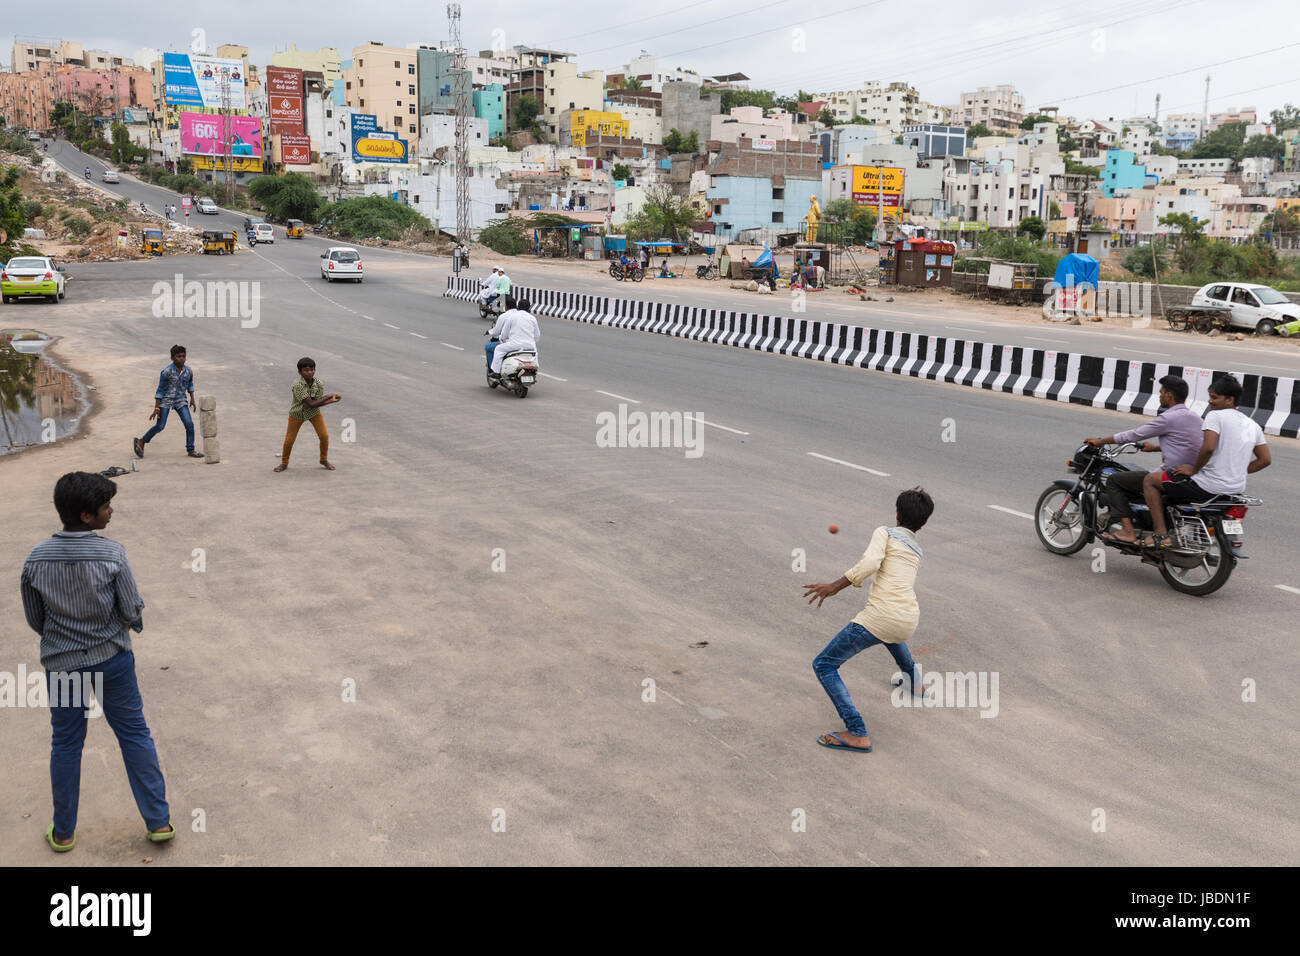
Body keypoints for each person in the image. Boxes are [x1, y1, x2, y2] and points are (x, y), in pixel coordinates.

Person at [21, 471, 174, 851]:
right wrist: (126, 622)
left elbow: (35, 618)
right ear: (87, 516)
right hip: (112, 660)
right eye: (106, 507)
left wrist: (63, 636)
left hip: (63, 663)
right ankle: (158, 823)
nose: (111, 512)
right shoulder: (112, 553)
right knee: (134, 735)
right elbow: (130, 608)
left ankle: (63, 833)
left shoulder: (36, 558)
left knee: (67, 743)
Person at [802, 488, 935, 753]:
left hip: (882, 616)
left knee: (824, 665)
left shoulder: (884, 532)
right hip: (908, 618)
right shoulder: (917, 550)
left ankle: (857, 732)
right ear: (923, 523)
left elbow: (870, 563)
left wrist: (835, 586)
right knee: (890, 635)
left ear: (897, 515)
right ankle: (915, 683)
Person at [1141, 375, 1270, 545]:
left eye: (1214, 397)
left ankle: (1160, 534)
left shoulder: (1215, 417)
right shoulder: (1252, 424)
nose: (1210, 401)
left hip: (1207, 486)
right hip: (1235, 489)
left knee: (1150, 480)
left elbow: (1208, 447)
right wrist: (1235, 469)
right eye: (1210, 396)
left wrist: (1193, 470)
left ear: (1230, 400)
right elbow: (1265, 459)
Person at [1085, 374, 1203, 545]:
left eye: (1161, 392)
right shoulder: (1196, 418)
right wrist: (1155, 448)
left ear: (1169, 395)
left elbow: (1134, 435)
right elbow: (1187, 444)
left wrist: (1100, 441)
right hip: (1191, 474)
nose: (1160, 396)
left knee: (1114, 481)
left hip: (1171, 474)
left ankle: (1127, 532)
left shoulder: (1168, 418)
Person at [134, 345, 202, 459]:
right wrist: (156, 408)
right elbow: (160, 390)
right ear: (172, 358)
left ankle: (191, 449)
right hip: (166, 400)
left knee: (189, 424)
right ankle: (142, 441)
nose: (181, 358)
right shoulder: (167, 372)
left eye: (183, 356)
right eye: (178, 356)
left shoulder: (188, 371)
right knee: (160, 426)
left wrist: (192, 399)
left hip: (180, 400)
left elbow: (190, 384)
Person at [274, 357, 340, 472]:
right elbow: (311, 403)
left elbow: (317, 403)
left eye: (312, 369)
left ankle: (323, 460)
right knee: (289, 440)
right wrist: (328, 396)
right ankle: (284, 463)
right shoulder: (297, 385)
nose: (310, 372)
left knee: (324, 436)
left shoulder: (318, 384)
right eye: (306, 370)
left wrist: (330, 401)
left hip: (314, 413)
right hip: (297, 413)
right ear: (300, 372)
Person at [490, 298, 540, 377]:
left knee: (498, 349)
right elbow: (537, 336)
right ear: (529, 308)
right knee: (535, 354)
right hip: (530, 346)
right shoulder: (532, 318)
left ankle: (496, 372)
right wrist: (530, 342)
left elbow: (504, 335)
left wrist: (502, 340)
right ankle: (534, 370)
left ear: (518, 307)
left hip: (515, 345)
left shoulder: (512, 317)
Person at [485, 295, 519, 369]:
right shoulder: (522, 315)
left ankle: (493, 370)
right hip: (524, 343)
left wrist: (489, 332)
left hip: (510, 343)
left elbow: (497, 332)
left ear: (506, 306)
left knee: (488, 347)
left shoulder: (504, 316)